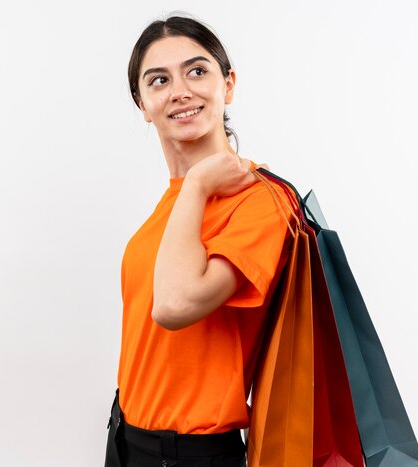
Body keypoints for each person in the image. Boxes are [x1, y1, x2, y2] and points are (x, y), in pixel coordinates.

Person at [105, 13, 295, 467]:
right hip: (126, 439)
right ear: (141, 103)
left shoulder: (263, 201)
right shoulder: (172, 205)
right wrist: (192, 188)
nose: (180, 91)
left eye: (197, 70)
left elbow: (175, 307)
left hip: (191, 455)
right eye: (158, 80)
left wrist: (197, 185)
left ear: (227, 84)